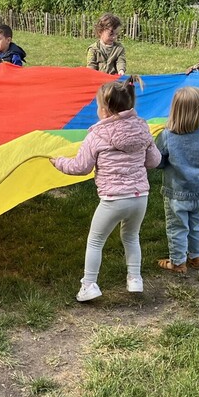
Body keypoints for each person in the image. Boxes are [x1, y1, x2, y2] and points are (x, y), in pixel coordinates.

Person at [50, 76, 161, 301]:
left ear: (105, 110)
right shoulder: (142, 129)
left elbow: (81, 167)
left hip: (112, 199)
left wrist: (59, 162)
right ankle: (135, 279)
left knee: (96, 241)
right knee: (131, 236)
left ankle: (89, 284)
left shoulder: (97, 135)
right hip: (140, 197)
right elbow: (154, 161)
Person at [156, 87, 199, 274]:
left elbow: (158, 162)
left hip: (176, 194)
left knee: (177, 227)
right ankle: (196, 257)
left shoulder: (166, 136)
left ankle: (177, 262)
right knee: (198, 224)